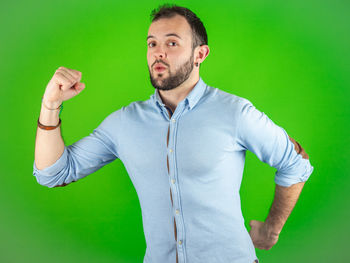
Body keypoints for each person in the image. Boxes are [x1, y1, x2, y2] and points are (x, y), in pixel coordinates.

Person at [33, 4, 314, 263]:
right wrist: (50, 106)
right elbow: (53, 173)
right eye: (152, 43)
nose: (158, 52)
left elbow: (295, 163)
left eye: (172, 43)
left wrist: (271, 229)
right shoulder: (124, 122)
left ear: (200, 54)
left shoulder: (235, 112)